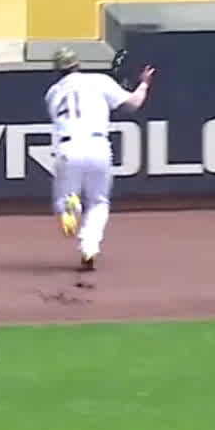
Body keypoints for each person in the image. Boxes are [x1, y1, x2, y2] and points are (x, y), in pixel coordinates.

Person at [44, 48, 154, 271]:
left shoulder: (52, 94)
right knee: (98, 202)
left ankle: (71, 206)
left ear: (57, 70)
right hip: (98, 145)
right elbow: (133, 104)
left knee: (63, 200)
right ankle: (89, 247)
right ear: (77, 64)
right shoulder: (99, 81)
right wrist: (143, 84)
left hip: (68, 147)